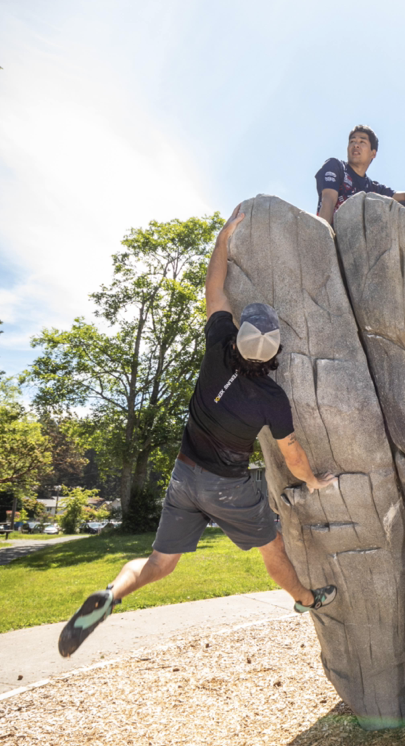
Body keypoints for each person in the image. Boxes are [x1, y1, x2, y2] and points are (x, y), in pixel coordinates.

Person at [58, 207, 338, 658]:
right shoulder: (271, 398)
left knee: (158, 563)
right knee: (274, 550)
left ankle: (113, 594)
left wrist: (224, 238)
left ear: (241, 335)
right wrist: (311, 481)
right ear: (275, 350)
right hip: (228, 488)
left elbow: (214, 288)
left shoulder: (217, 348)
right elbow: (292, 455)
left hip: (184, 477)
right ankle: (307, 600)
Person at [315, 124, 405, 225]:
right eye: (352, 141)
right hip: (335, 233)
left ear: (373, 153)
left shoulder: (373, 189)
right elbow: (328, 200)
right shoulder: (336, 166)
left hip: (362, 239)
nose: (356, 145)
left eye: (362, 142)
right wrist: (324, 238)